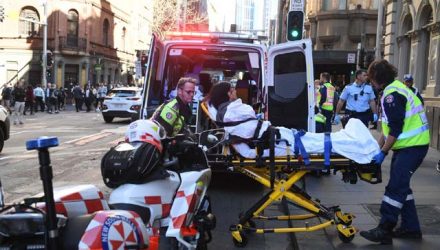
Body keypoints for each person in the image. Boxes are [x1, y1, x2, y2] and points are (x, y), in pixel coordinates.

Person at [206, 81, 379, 163]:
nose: (236, 93)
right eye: (234, 90)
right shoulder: (232, 110)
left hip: (274, 139)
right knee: (318, 142)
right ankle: (360, 146)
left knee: (315, 139)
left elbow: (249, 124)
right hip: (276, 142)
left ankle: (353, 140)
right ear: (229, 93)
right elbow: (249, 116)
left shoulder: (225, 113)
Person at [360, 60, 430, 244]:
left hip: (412, 147)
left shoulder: (392, 95)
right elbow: (388, 128)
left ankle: (384, 229)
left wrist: (383, 152)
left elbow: (396, 129)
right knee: (402, 186)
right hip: (410, 146)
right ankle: (410, 228)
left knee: (395, 187)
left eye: (371, 78)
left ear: (378, 78)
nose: (370, 82)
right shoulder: (396, 88)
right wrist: (377, 147)